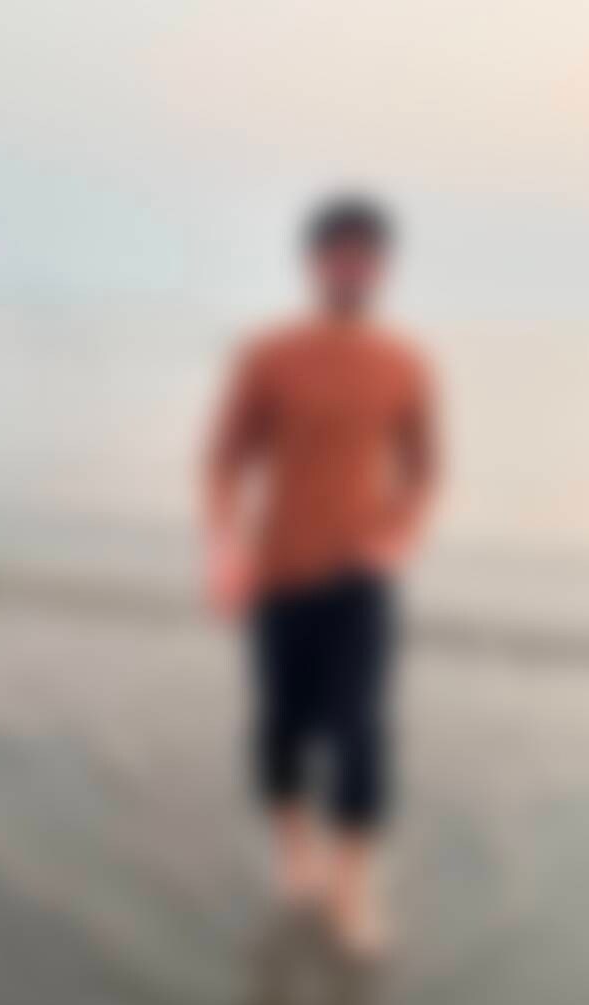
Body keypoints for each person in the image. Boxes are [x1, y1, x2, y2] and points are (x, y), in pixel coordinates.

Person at [201, 196, 439, 957]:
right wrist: (226, 549)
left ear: (382, 267)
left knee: (361, 733)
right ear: (313, 263)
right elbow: (224, 461)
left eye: (365, 255)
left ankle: (352, 889)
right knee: (279, 729)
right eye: (338, 253)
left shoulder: (404, 362)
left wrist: (397, 537)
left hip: (360, 578)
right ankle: (294, 851)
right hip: (278, 574)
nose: (351, 267)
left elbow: (424, 470)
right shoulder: (269, 353)